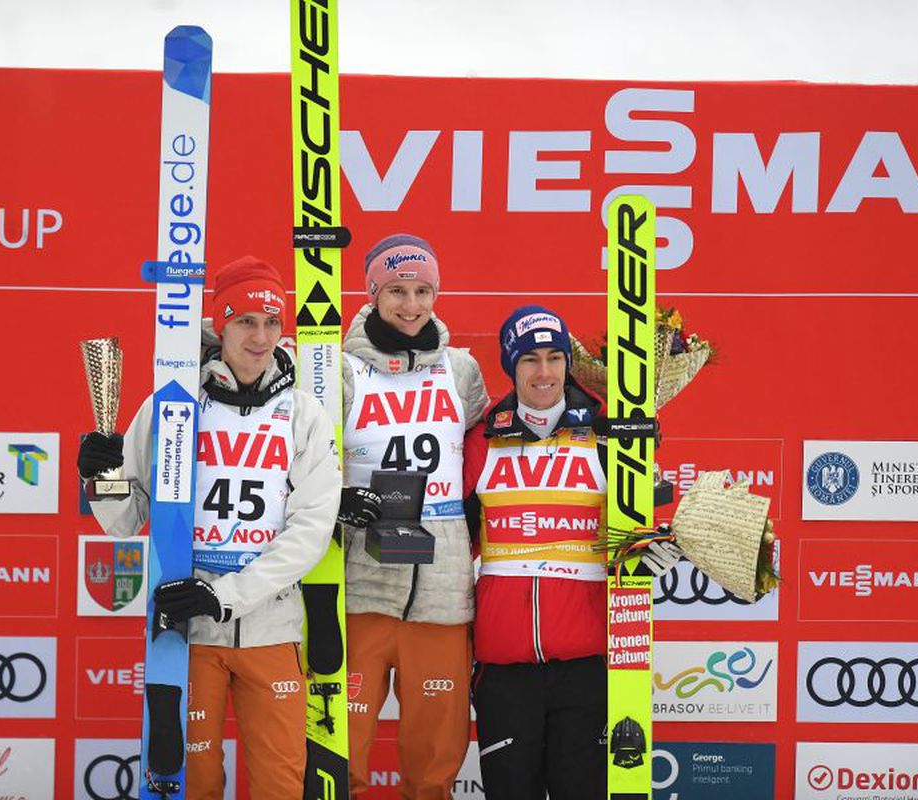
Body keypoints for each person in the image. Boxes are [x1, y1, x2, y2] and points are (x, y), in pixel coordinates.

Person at [77, 255, 340, 800]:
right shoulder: (172, 404)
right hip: (187, 630)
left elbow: (310, 531)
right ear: (221, 325)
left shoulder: (303, 414)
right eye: (246, 321)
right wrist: (100, 477)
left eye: (272, 322)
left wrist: (224, 596)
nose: (261, 337)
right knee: (191, 782)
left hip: (270, 624)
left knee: (280, 785)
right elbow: (125, 519)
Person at [462, 305, 680, 800]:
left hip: (588, 665)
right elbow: (458, 541)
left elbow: (639, 525)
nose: (544, 372)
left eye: (554, 357)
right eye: (530, 359)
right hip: (504, 668)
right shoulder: (482, 439)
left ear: (567, 363)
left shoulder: (610, 433)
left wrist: (653, 547)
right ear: (510, 365)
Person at [339, 234, 489, 799]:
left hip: (441, 590)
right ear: (372, 293)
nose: (410, 304)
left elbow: (486, 455)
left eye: (422, 291)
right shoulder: (340, 369)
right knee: (339, 750)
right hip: (360, 583)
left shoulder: (461, 370)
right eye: (396, 290)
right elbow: (304, 458)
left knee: (435, 761)